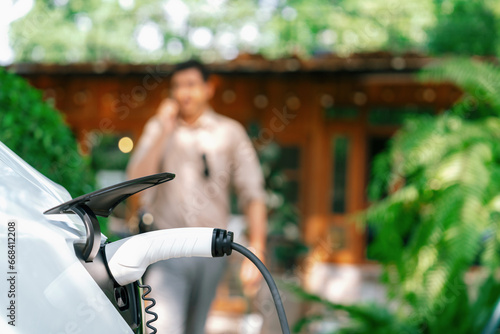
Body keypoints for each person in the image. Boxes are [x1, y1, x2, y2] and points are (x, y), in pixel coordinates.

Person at [127, 60, 267, 334]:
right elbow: (135, 182)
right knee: (165, 328)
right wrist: (163, 130)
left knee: (196, 329)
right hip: (167, 245)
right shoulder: (160, 129)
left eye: (191, 85)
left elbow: (253, 193)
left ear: (208, 88)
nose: (184, 93)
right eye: (177, 87)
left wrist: (257, 249)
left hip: (211, 249)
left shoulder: (229, 132)